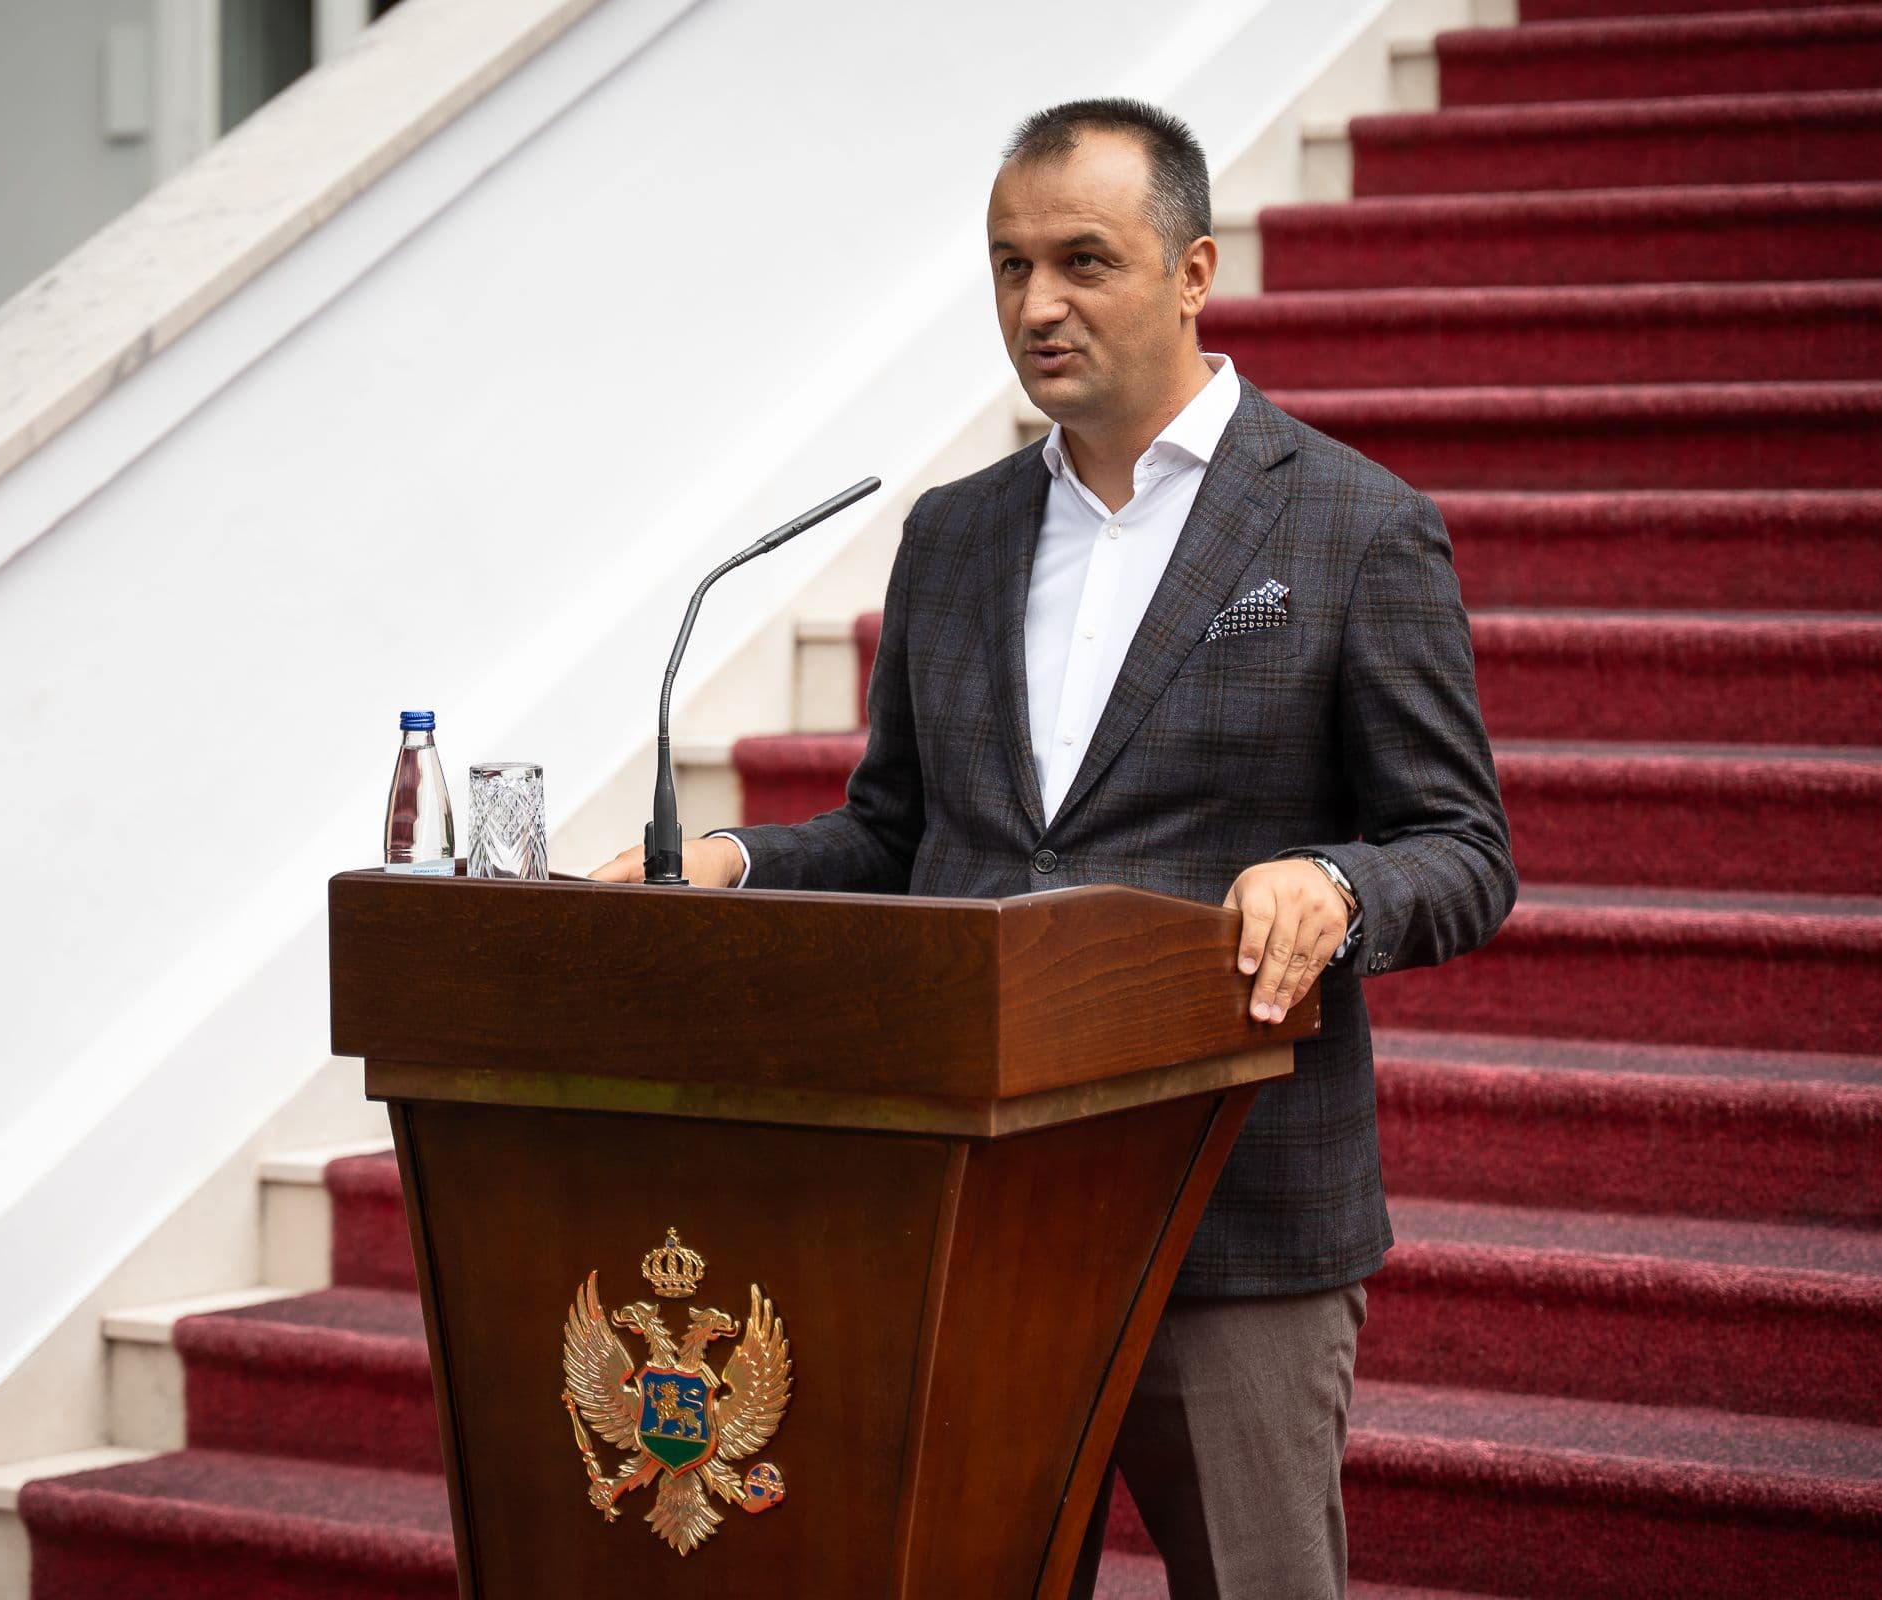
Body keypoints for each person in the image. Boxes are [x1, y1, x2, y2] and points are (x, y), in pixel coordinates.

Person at [593, 97, 1515, 1600]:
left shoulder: (1354, 525)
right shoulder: (952, 534)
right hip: (973, 1202)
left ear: (1194, 271)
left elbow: (1463, 848)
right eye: (1010, 266)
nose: (1037, 305)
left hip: (1231, 1203)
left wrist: (1339, 883)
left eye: (1084, 260)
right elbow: (899, 832)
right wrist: (735, 867)